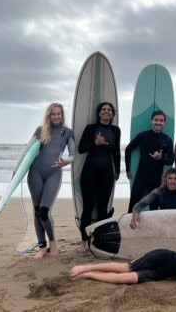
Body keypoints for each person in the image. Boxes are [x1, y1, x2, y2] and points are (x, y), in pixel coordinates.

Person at [16, 102, 74, 259]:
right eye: (53, 114)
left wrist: (66, 161)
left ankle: (53, 242)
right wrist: (17, 169)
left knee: (44, 211)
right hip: (35, 173)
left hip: (53, 174)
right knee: (36, 211)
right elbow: (27, 151)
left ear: (62, 115)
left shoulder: (67, 132)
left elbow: (73, 155)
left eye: (58, 113)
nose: (56, 116)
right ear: (49, 116)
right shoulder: (41, 130)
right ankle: (42, 247)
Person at [69, 234, 176, 283]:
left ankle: (89, 275)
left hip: (164, 274)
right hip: (162, 258)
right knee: (125, 268)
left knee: (125, 279)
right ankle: (85, 267)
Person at [77, 102, 121, 252]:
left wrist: (118, 171)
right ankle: (84, 241)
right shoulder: (91, 128)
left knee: (103, 208)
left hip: (107, 173)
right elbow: (81, 148)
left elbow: (116, 152)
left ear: (112, 114)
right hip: (90, 171)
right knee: (88, 207)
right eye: (104, 110)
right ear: (99, 113)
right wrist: (95, 143)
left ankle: (99, 240)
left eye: (109, 110)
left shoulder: (116, 130)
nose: (106, 112)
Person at [125, 110, 174, 213]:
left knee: (154, 207)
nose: (158, 122)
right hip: (141, 176)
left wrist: (160, 159)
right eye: (156, 120)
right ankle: (130, 226)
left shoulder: (167, 140)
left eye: (161, 120)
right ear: (151, 121)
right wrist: (128, 169)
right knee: (133, 204)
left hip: (156, 178)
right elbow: (128, 149)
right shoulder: (143, 136)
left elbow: (170, 161)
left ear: (164, 123)